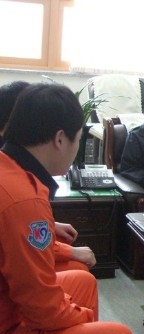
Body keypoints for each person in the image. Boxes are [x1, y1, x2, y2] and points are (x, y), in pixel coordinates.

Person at [0, 83, 136, 334]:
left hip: (9, 305)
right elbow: (41, 307)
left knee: (82, 282)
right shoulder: (22, 199)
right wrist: (81, 317)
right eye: (78, 139)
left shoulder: (11, 171)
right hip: (6, 331)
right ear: (60, 139)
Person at [0, 80, 95, 272]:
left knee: (79, 274)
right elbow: (34, 291)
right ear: (60, 139)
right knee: (82, 277)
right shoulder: (27, 200)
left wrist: (50, 225)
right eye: (78, 140)